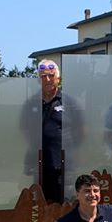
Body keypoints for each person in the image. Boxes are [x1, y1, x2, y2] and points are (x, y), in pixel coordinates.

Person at [36, 59, 65, 204]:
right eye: (43, 76)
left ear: (58, 79)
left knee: (59, 211)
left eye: (51, 75)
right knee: (35, 213)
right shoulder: (30, 102)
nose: (47, 79)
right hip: (34, 169)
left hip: (60, 169)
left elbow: (80, 134)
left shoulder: (68, 102)